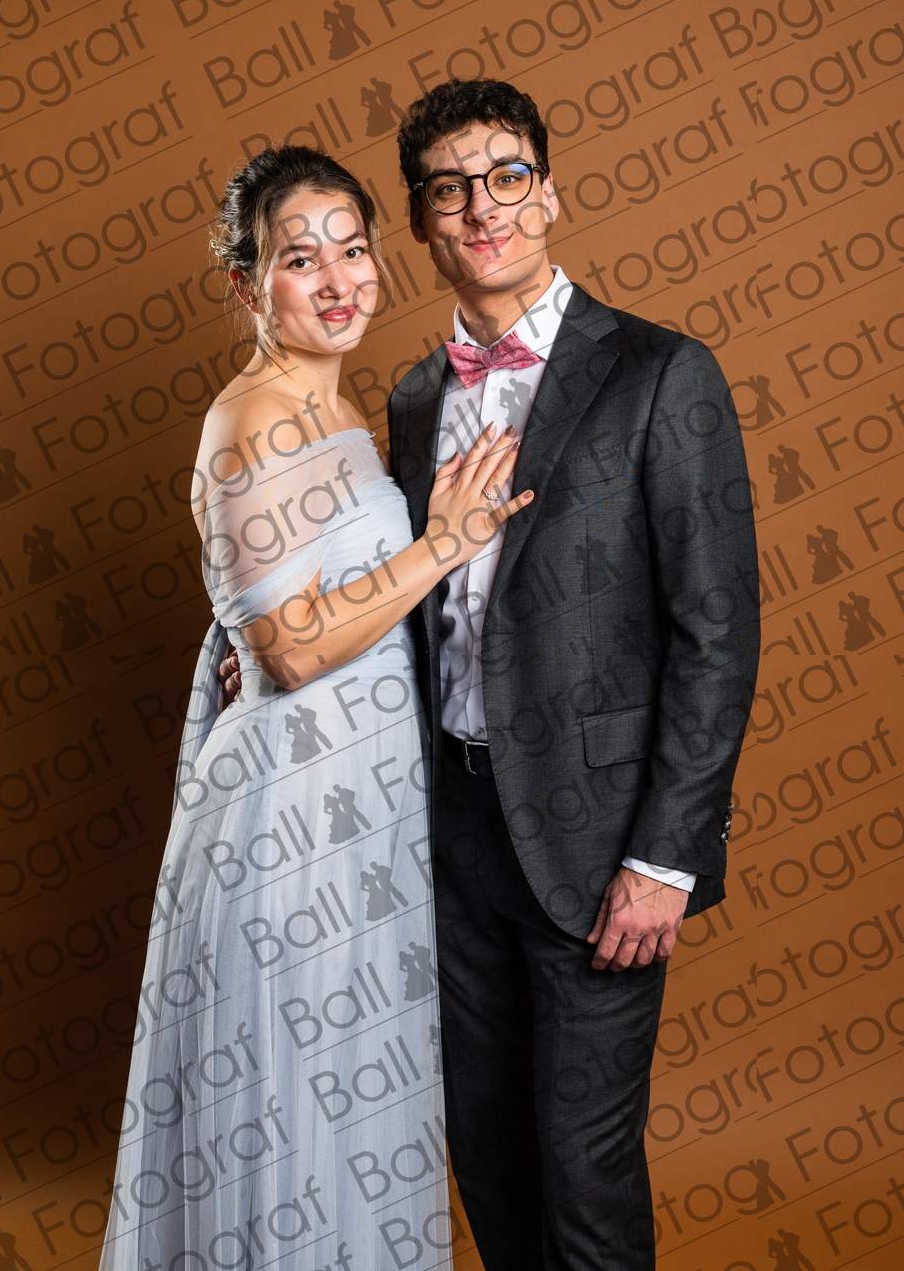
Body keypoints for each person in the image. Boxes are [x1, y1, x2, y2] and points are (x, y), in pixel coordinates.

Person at [220, 80, 762, 1270]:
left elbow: (717, 633)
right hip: (440, 833)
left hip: (598, 836)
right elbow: (369, 592)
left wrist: (664, 857)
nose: (484, 207)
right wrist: (238, 646)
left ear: (548, 193)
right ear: (422, 223)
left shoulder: (662, 373)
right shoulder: (412, 399)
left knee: (583, 1168)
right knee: (486, 1153)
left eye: (507, 175)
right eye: (450, 189)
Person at [98, 144, 532, 1269]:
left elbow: (278, 607)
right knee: (289, 1115)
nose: (339, 280)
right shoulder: (252, 416)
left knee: (347, 1119)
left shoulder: (336, 408)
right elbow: (288, 651)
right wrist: (442, 544)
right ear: (247, 283)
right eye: (301, 259)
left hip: (359, 819)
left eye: (353, 249)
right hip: (287, 834)